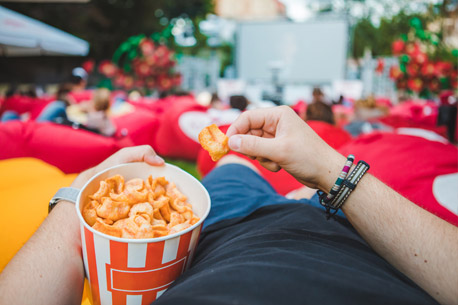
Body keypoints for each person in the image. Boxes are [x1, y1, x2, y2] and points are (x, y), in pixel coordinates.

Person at [0, 106, 457, 305]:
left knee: (232, 172)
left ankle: (302, 196)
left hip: (218, 228)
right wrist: (330, 171)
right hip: (353, 234)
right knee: (256, 174)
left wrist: (78, 194)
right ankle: (308, 197)